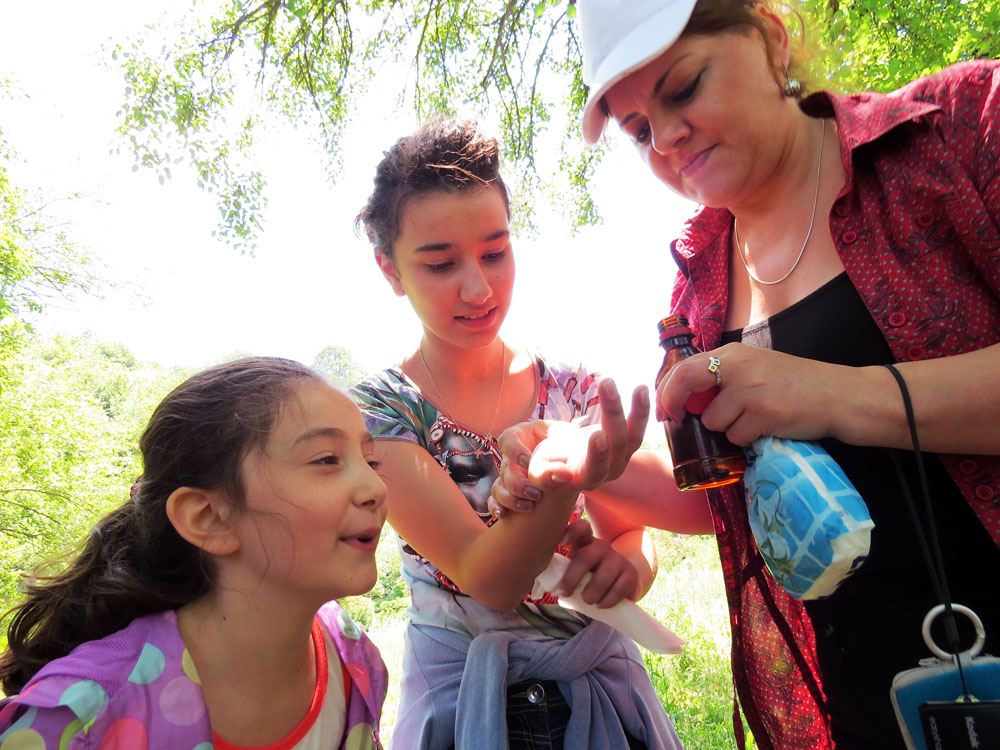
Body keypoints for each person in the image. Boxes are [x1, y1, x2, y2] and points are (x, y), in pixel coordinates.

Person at [493, 1, 1000, 748]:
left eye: (684, 86)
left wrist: (839, 395)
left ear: (769, 37)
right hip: (868, 702)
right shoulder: (695, 291)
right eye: (637, 130)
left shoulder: (959, 129)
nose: (664, 138)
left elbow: (810, 403)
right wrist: (592, 465)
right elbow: (725, 502)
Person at [351, 116, 706, 749]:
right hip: (465, 702)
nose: (478, 287)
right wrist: (565, 479)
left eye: (495, 251)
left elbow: (634, 527)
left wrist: (626, 567)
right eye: (440, 263)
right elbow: (488, 577)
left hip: (599, 688)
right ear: (389, 269)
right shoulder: (383, 414)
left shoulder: (570, 385)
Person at [0, 357, 390, 749]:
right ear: (209, 518)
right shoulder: (74, 724)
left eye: (370, 461)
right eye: (326, 459)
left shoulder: (350, 656)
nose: (376, 488)